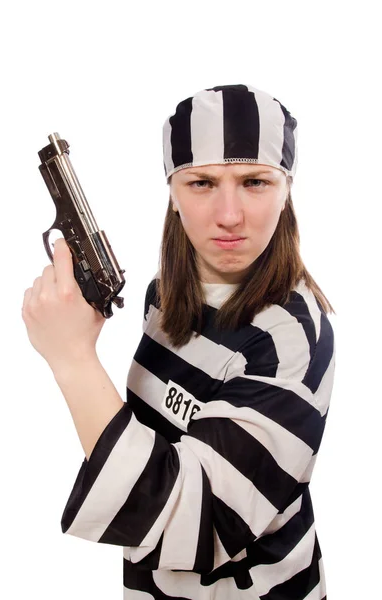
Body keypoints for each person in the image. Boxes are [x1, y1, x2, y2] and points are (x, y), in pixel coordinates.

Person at [27, 84, 336, 599]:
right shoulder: (167, 292)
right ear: (172, 191)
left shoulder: (292, 341)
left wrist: (73, 360)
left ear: (287, 191)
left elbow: (191, 528)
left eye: (255, 182)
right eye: (202, 183)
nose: (230, 215)